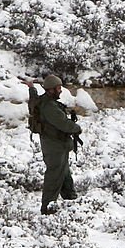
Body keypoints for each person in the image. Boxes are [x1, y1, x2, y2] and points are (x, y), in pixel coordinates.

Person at [25, 75, 81, 215]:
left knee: (64, 172)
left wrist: (31, 88)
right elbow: (64, 124)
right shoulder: (50, 107)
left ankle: (70, 198)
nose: (60, 91)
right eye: (58, 88)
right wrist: (77, 128)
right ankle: (47, 207)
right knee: (54, 175)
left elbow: (33, 99)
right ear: (51, 90)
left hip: (54, 145)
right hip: (55, 146)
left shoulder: (42, 101)